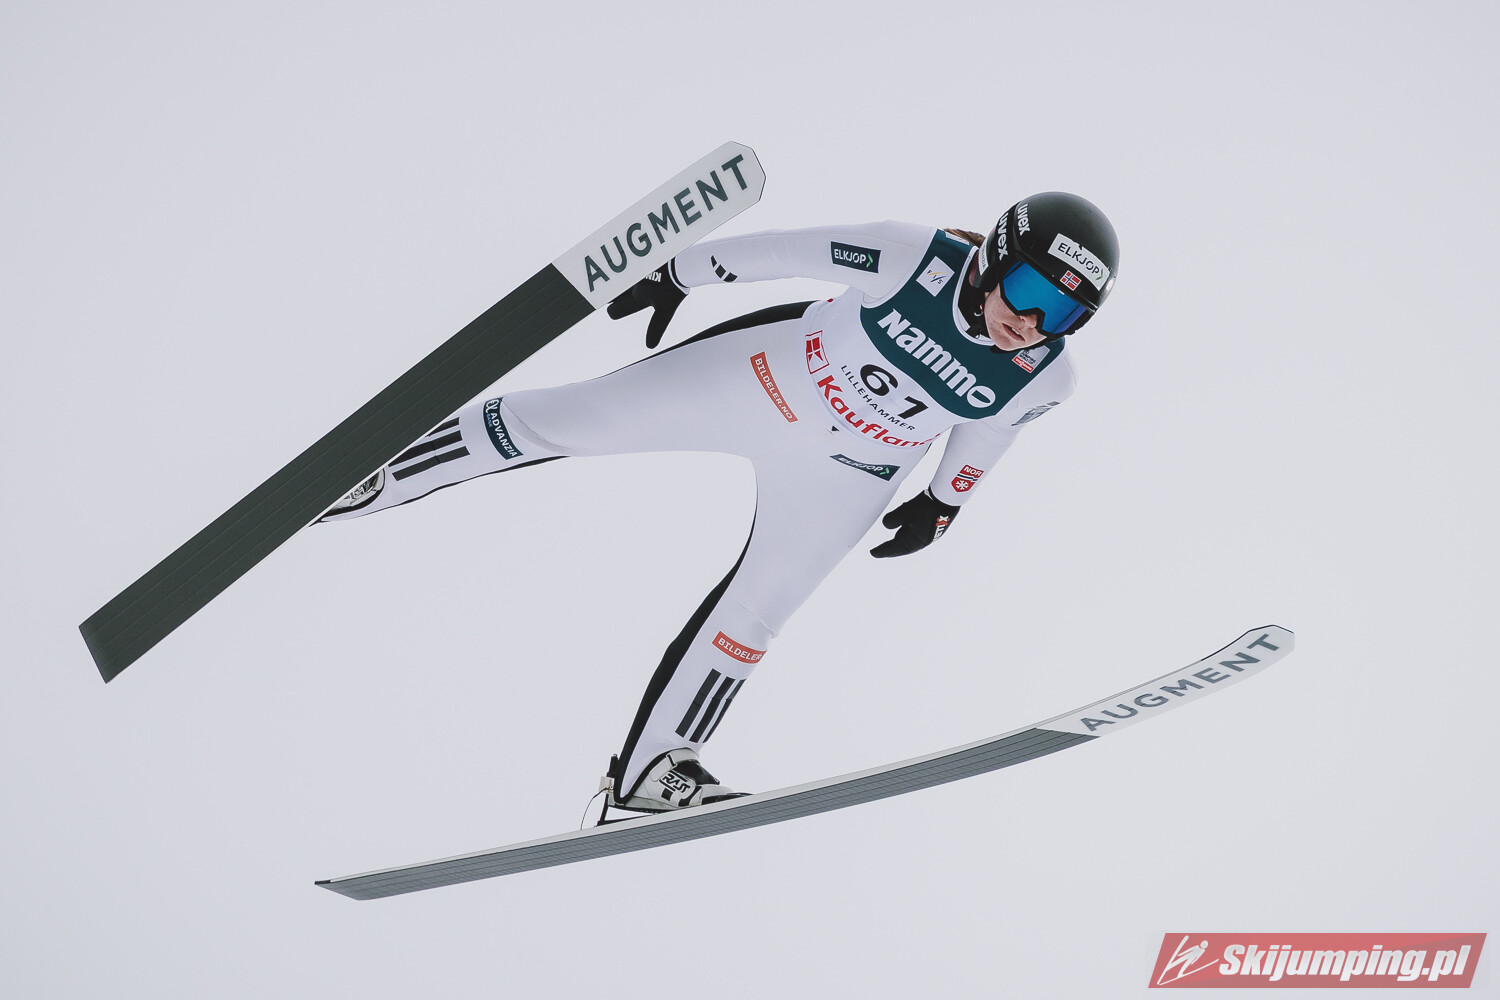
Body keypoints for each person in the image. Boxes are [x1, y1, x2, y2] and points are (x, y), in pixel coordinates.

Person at [320, 192, 1120, 815]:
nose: (1030, 324)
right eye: (1027, 292)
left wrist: (943, 503)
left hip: (850, 472)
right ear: (994, 256)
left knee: (757, 616)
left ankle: (655, 770)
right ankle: (373, 472)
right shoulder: (915, 257)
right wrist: (678, 274)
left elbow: (990, 433)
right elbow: (784, 252)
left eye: (1063, 315)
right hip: (759, 382)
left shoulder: (1048, 376)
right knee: (567, 422)